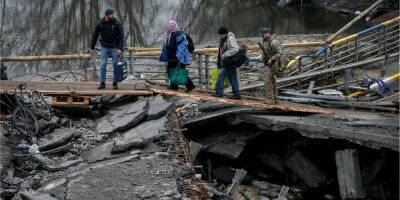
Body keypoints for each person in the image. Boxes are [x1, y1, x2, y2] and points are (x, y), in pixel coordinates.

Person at [90, 8, 124, 90]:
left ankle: (115, 83)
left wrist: (120, 48)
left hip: (114, 47)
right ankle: (102, 83)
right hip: (104, 47)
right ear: (107, 15)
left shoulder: (117, 23)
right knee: (102, 65)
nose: (113, 15)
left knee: (116, 65)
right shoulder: (100, 23)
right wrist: (92, 47)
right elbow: (95, 35)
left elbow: (121, 36)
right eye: (112, 14)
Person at [159, 19, 195, 92]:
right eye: (168, 26)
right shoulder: (170, 34)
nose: (168, 27)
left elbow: (182, 45)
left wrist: (179, 54)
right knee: (170, 69)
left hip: (179, 57)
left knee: (179, 71)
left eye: (170, 26)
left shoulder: (177, 34)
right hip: (173, 57)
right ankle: (174, 86)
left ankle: (189, 86)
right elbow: (167, 46)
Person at [215, 27, 241, 100]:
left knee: (221, 76)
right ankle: (236, 94)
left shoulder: (230, 39)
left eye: (221, 34)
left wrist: (225, 54)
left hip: (230, 62)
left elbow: (235, 48)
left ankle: (219, 93)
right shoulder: (223, 39)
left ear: (225, 33)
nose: (220, 36)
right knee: (233, 78)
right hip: (228, 62)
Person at [260, 27, 282, 104]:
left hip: (273, 64)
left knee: (268, 81)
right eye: (263, 33)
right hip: (268, 64)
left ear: (268, 33)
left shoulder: (273, 42)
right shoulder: (265, 41)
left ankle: (270, 100)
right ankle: (275, 99)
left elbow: (279, 53)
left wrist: (271, 59)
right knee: (272, 81)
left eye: (265, 33)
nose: (264, 35)